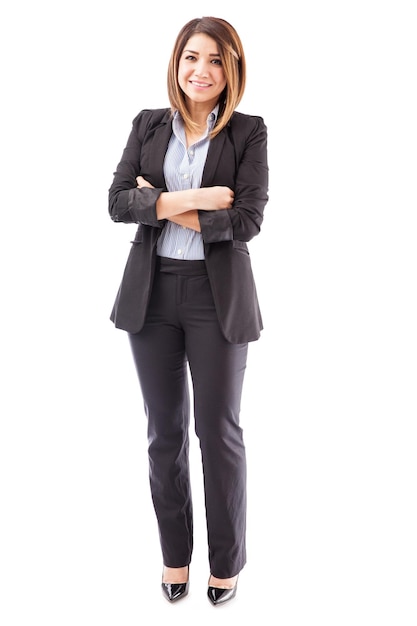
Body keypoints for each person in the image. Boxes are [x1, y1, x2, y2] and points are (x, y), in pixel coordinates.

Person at [108, 16, 268, 606]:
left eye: (216, 60)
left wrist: (157, 200)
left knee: (218, 432)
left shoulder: (248, 132)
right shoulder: (148, 124)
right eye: (192, 58)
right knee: (162, 435)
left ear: (232, 70)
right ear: (177, 64)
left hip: (215, 297)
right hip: (151, 295)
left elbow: (247, 220)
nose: (202, 71)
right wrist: (197, 200)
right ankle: (175, 556)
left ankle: (225, 564)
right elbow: (118, 201)